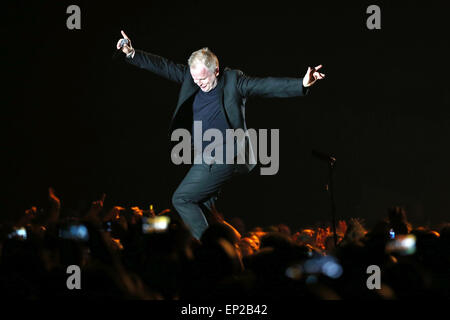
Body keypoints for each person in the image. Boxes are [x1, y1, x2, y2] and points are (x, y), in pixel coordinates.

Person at [116, 30, 325, 240]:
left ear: (216, 70)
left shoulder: (234, 82)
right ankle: (224, 251)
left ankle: (210, 248)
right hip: (205, 156)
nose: (198, 83)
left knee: (181, 199)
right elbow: (165, 66)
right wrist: (132, 53)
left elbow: (265, 85)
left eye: (203, 78)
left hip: (227, 153)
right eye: (195, 78)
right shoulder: (192, 79)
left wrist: (302, 83)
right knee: (201, 207)